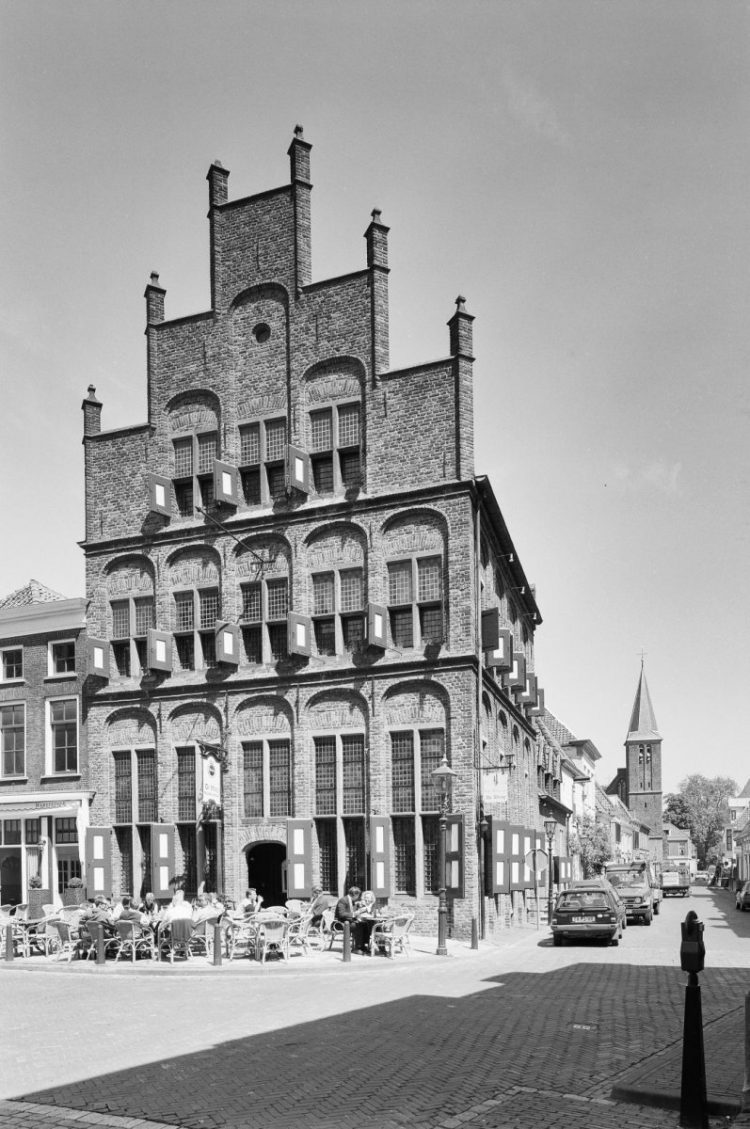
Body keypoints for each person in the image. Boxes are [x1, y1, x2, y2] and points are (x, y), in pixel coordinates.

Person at [335, 886, 370, 953]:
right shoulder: (343, 900)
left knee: (365, 924)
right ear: (355, 895)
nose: (358, 898)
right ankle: (358, 947)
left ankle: (364, 946)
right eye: (358, 896)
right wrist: (354, 914)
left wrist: (359, 907)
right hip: (340, 923)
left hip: (348, 922)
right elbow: (341, 914)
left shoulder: (352, 900)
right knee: (358, 926)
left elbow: (352, 909)